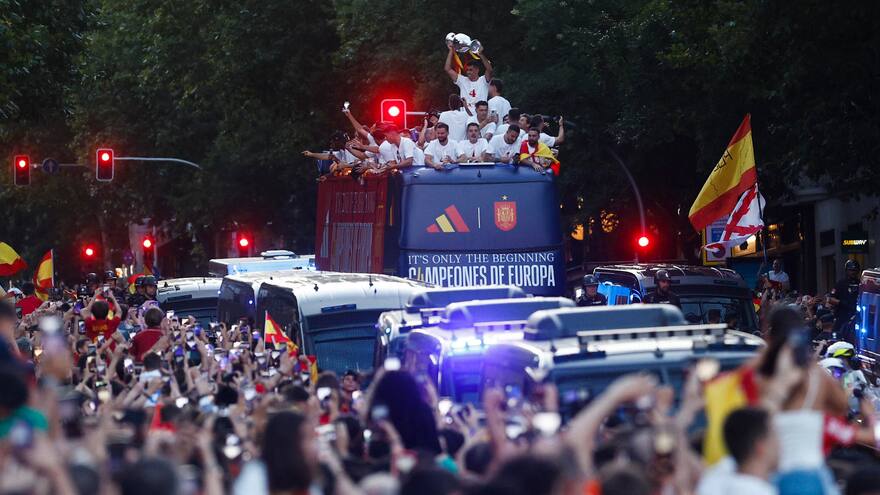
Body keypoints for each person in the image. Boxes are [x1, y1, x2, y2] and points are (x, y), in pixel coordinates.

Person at [698, 407, 780, 495]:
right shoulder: (760, 491)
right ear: (760, 447)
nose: (779, 445)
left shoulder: (714, 478)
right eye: (774, 437)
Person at [830, 259, 861, 339]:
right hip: (842, 316)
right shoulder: (841, 283)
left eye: (855, 270)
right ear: (846, 270)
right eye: (851, 270)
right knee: (836, 337)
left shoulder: (861, 284)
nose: (853, 272)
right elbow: (831, 299)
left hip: (856, 315)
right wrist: (842, 303)